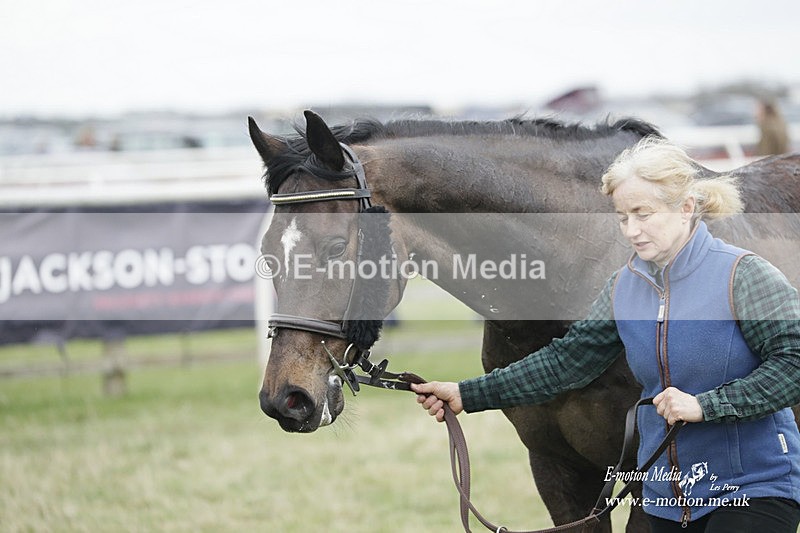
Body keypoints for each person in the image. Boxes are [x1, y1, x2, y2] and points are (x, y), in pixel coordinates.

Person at [412, 137, 800, 532]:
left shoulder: (744, 275)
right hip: (667, 499)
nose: (631, 230)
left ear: (685, 209)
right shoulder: (623, 287)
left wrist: (707, 406)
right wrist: (468, 394)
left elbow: (794, 364)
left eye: (643, 213)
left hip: (753, 490)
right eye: (622, 217)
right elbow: (567, 363)